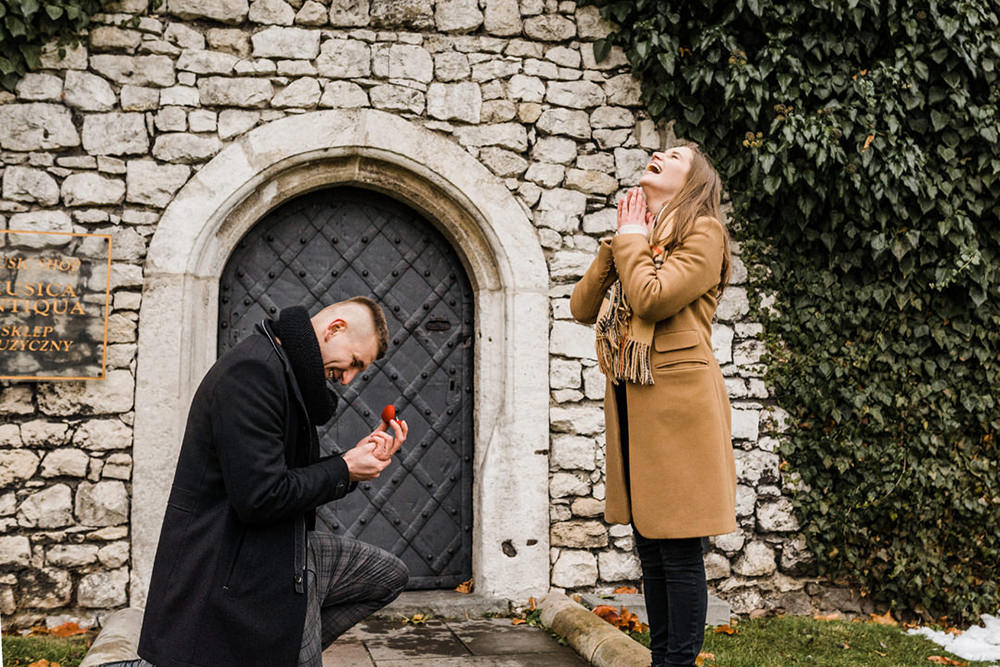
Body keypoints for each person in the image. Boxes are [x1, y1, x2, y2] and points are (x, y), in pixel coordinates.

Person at [134, 297, 410, 667]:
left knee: (387, 575)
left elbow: (290, 479)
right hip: (234, 567)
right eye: (355, 363)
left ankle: (280, 648)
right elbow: (260, 497)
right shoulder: (253, 372)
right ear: (334, 329)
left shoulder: (282, 373)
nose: (348, 379)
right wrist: (345, 468)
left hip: (283, 551)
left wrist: (355, 461)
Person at [570, 144, 738, 667]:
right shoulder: (639, 239)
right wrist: (618, 245)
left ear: (694, 180)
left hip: (678, 405)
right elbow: (582, 307)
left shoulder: (704, 232)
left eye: (674, 154)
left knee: (679, 547)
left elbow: (652, 298)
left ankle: (677, 662)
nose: (657, 155)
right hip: (634, 398)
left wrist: (632, 243)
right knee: (651, 545)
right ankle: (663, 657)